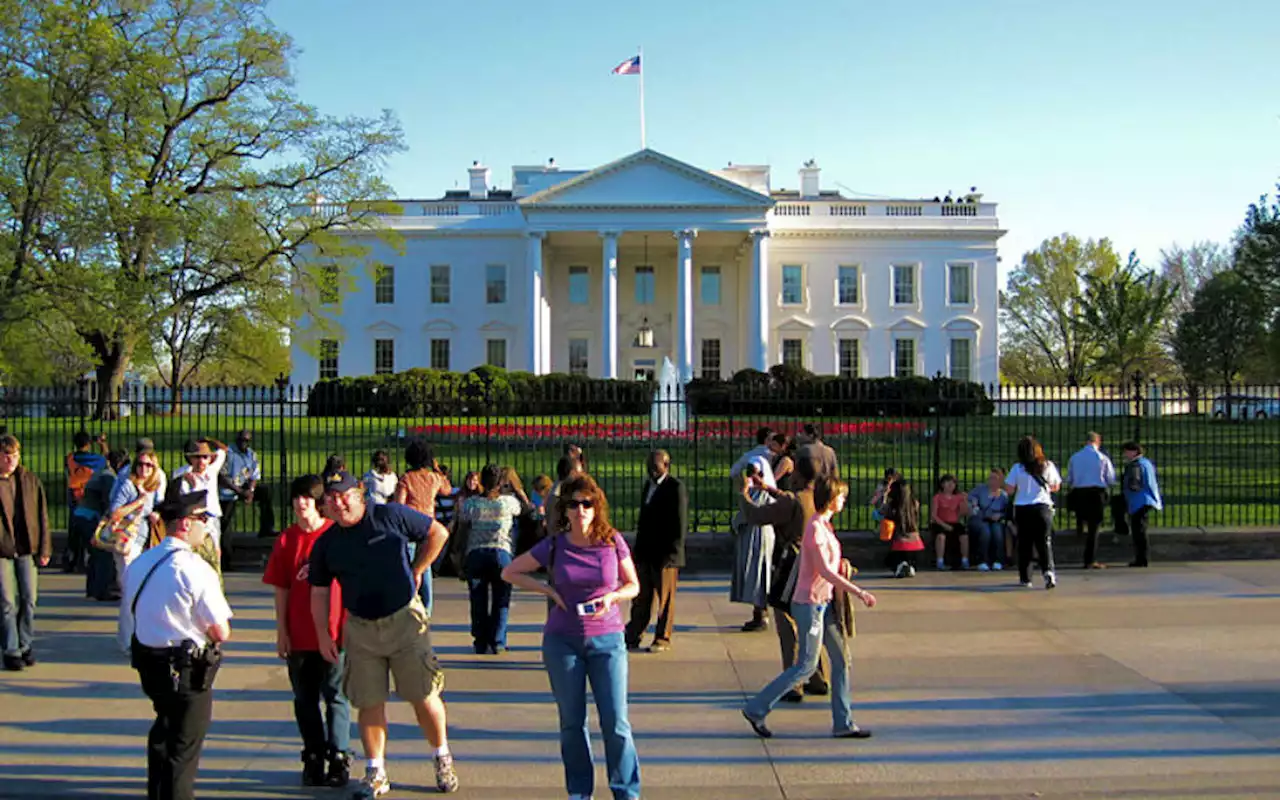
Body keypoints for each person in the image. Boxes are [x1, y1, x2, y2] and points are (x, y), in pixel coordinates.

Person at [308, 469, 458, 797]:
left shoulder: (389, 515)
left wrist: (418, 569)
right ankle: (376, 771)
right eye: (331, 498)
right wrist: (323, 634)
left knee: (423, 695)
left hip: (405, 621)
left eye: (344, 495)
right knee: (369, 702)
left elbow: (437, 533)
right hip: (360, 629)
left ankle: (441, 755)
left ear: (359, 494)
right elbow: (318, 592)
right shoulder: (327, 544)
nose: (338, 503)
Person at [501, 473, 643, 800]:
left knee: (616, 723)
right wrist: (547, 588)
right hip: (562, 641)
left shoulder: (612, 542)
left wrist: (612, 598)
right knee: (572, 723)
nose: (581, 510)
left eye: (587, 503)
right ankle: (580, 792)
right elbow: (509, 571)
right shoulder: (554, 545)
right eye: (574, 504)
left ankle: (627, 791)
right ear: (564, 510)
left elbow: (633, 584)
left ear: (596, 508)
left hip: (607, 639)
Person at [742, 478, 876, 739]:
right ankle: (756, 708)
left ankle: (843, 723)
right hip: (810, 604)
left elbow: (830, 565)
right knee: (805, 665)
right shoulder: (814, 528)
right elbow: (823, 570)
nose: (844, 501)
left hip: (823, 604)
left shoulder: (825, 525)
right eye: (841, 496)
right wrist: (858, 592)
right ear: (830, 498)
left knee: (841, 660)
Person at [121, 490, 233, 800]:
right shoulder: (195, 569)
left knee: (163, 730)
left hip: (150, 662)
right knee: (184, 747)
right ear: (184, 524)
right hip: (187, 668)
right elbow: (220, 630)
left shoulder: (141, 563)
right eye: (202, 519)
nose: (206, 526)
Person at [263, 475, 351, 788]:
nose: (302, 504)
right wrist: (281, 631)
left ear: (320, 503)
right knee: (305, 699)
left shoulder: (336, 536)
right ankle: (314, 754)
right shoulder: (287, 540)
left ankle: (339, 754)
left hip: (333, 633)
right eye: (297, 498)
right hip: (299, 634)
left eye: (308, 498)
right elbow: (281, 588)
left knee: (336, 696)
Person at [736, 455, 830, 701]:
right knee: (811, 622)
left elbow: (756, 515)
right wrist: (767, 488)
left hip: (792, 563)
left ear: (798, 474)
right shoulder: (818, 497)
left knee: (787, 621)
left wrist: (744, 493)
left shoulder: (794, 501)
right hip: (816, 562)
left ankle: (793, 681)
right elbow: (789, 501)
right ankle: (817, 676)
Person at [625, 450, 687, 654]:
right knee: (641, 596)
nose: (651, 469)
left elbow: (679, 523)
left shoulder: (675, 487)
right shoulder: (648, 486)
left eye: (655, 465)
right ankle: (633, 633)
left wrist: (673, 555)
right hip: (645, 552)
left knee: (665, 599)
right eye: (649, 465)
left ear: (666, 465)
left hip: (665, 555)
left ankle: (662, 637)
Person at [458, 464, 523, 654]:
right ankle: (498, 640)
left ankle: (480, 640)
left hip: (476, 552)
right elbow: (523, 509)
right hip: (501, 552)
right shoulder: (508, 502)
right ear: (500, 483)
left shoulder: (471, 504)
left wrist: (460, 555)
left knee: (477, 599)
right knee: (501, 598)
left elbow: (463, 529)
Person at [0, 434, 51, 672]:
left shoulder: (29, 480)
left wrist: (45, 547)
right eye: (6, 455)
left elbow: (42, 516)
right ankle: (11, 650)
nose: (10, 459)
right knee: (7, 601)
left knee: (29, 599)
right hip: (2, 550)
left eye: (14, 455)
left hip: (26, 547)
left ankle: (25, 643)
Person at [108, 443, 165, 650]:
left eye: (149, 465)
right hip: (126, 542)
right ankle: (127, 640)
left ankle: (138, 636)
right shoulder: (127, 486)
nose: (144, 469)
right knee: (129, 591)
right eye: (140, 464)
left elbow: (156, 507)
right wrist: (137, 503)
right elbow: (114, 513)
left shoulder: (151, 489)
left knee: (142, 592)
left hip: (143, 542)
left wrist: (154, 513)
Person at [394, 440, 451, 615]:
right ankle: (427, 608)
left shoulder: (406, 478)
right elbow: (447, 490)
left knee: (407, 566)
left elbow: (399, 504)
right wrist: (437, 469)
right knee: (424, 566)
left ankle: (407, 603)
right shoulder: (434, 478)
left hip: (409, 524)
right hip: (428, 525)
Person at [1004, 436, 1062, 590]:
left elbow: (1009, 489)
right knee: (1044, 542)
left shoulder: (1017, 468)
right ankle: (1048, 572)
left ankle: (1026, 577)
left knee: (1025, 543)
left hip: (1023, 508)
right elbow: (1056, 486)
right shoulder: (1047, 465)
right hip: (1042, 507)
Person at [172, 438, 229, 577]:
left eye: (205, 457)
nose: (201, 461)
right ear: (190, 458)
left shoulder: (211, 471)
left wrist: (209, 440)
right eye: (197, 457)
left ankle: (216, 580)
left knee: (215, 552)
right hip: (193, 520)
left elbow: (224, 450)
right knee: (193, 553)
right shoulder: (182, 474)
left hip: (212, 518)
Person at [731, 459, 776, 633]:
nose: (752, 478)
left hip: (761, 538)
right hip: (750, 537)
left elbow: (753, 513)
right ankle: (757, 612)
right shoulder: (752, 492)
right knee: (751, 574)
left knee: (760, 574)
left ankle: (762, 613)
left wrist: (744, 494)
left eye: (755, 473)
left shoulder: (765, 494)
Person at [218, 429, 272, 570]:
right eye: (241, 440)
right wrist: (240, 491)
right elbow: (221, 477)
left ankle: (267, 527)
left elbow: (254, 475)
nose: (244, 444)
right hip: (228, 492)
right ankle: (226, 560)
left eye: (246, 441)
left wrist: (251, 491)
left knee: (265, 492)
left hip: (243, 488)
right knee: (226, 523)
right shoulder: (228, 453)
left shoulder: (251, 455)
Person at [82, 449, 130, 601]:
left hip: (83, 515)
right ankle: (102, 590)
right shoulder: (109, 477)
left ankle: (92, 589)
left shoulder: (103, 472)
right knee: (103, 554)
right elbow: (109, 503)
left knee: (94, 555)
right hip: (93, 517)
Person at [1066, 433, 1117, 569]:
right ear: (1098, 442)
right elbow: (1111, 479)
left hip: (1079, 492)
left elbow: (1069, 479)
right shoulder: (1102, 458)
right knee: (1094, 528)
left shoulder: (1075, 457)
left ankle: (1079, 528)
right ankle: (1089, 559)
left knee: (1081, 517)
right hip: (1096, 493)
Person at [63, 431, 108, 571]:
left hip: (74, 495)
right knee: (90, 529)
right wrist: (101, 443)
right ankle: (89, 560)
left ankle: (72, 560)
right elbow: (106, 459)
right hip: (89, 495)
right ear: (89, 444)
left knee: (74, 530)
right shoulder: (96, 460)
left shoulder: (70, 458)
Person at [1121, 442, 1162, 568]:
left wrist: (1128, 489)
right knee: (1141, 529)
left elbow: (1135, 483)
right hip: (1147, 499)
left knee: (1139, 531)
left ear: (1134, 452)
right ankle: (1142, 557)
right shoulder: (1146, 462)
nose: (1125, 454)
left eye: (1126, 451)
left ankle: (1142, 558)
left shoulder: (1136, 465)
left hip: (1139, 500)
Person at [966, 468, 1010, 572]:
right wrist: (974, 504)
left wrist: (1000, 515)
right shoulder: (980, 490)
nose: (992, 481)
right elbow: (969, 499)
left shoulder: (1003, 495)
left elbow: (1007, 511)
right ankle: (982, 561)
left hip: (995, 520)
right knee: (985, 531)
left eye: (995, 479)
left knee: (997, 532)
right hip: (980, 518)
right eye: (990, 478)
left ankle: (998, 561)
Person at [930, 474, 970, 570]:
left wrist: (965, 501)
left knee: (964, 536)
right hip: (940, 522)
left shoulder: (958, 497)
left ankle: (965, 560)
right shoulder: (937, 497)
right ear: (942, 484)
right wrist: (944, 525)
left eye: (953, 483)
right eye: (948, 482)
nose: (950, 485)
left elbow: (964, 513)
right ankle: (940, 561)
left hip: (954, 522)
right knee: (941, 537)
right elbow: (933, 515)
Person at [886, 480, 925, 579]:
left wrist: (884, 496)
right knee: (910, 557)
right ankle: (909, 565)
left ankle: (900, 565)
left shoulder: (893, 505)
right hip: (915, 542)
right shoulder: (914, 504)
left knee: (889, 558)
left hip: (899, 542)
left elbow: (881, 513)